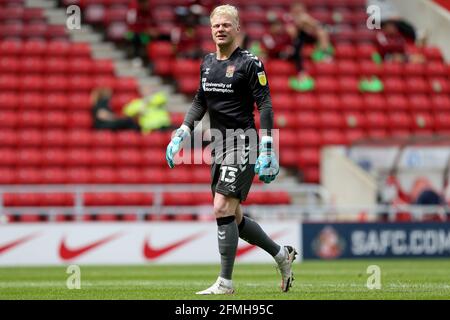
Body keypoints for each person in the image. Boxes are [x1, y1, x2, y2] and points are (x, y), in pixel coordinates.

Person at [165, 5, 297, 295]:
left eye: (227, 24)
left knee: (221, 207)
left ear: (238, 29)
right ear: (211, 30)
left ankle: (225, 283)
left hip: (243, 142)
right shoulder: (207, 63)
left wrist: (267, 147)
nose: (221, 29)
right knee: (233, 216)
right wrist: (182, 132)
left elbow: (265, 105)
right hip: (218, 145)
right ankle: (280, 254)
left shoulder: (251, 63)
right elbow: (201, 102)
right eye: (216, 25)